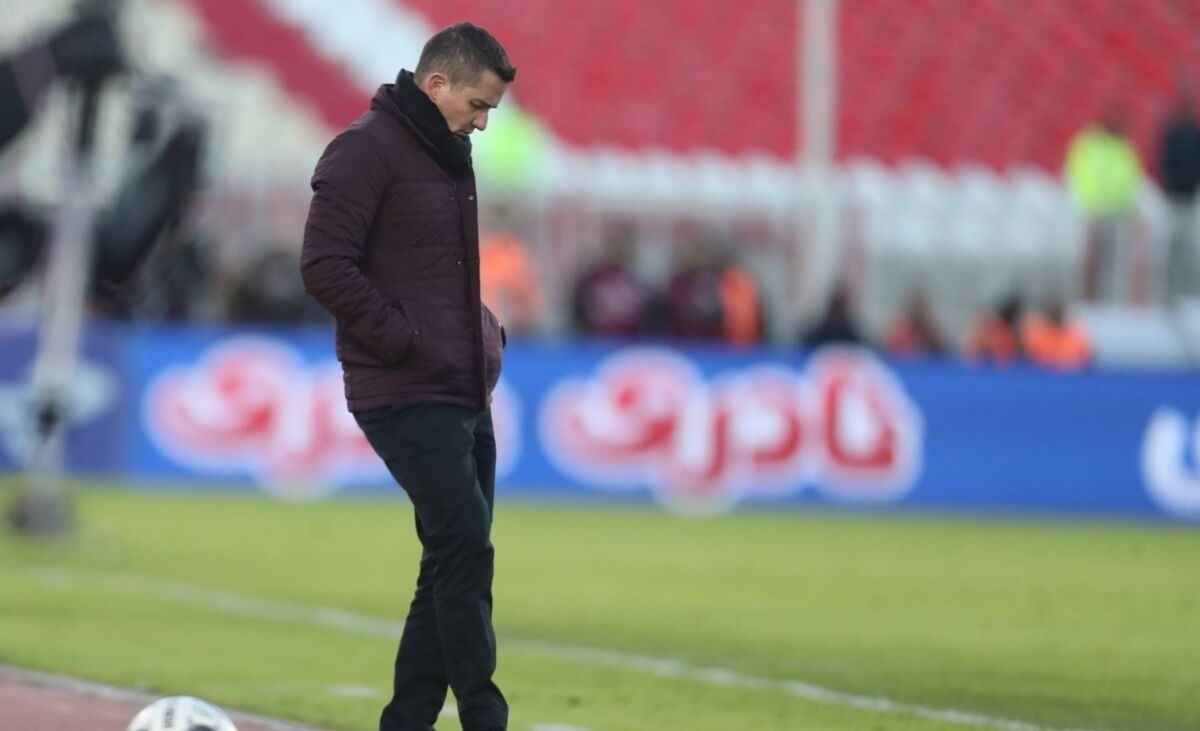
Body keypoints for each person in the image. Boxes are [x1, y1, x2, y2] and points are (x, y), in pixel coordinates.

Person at [300, 23, 515, 731]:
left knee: (449, 557)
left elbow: (438, 273)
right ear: (437, 83)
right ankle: (484, 716)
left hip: (462, 386)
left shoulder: (443, 152)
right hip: (406, 387)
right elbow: (323, 265)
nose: (482, 123)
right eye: (478, 105)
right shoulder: (364, 149)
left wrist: (480, 333)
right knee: (465, 546)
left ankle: (409, 720)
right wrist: (408, 341)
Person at [1064, 108, 1145, 303]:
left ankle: (1110, 300)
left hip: (1116, 212)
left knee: (1113, 261)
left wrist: (1130, 207)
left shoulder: (1124, 148)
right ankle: (1087, 299)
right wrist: (1081, 200)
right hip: (1091, 209)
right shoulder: (1090, 144)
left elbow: (1130, 181)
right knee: (1091, 259)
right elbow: (1074, 171)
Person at [1157, 94, 1200, 304]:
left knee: (1187, 250)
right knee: (1170, 248)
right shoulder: (1172, 133)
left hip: (1190, 199)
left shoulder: (1196, 135)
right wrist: (1170, 186)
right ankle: (1167, 295)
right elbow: (1165, 161)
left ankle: (1184, 294)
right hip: (1173, 199)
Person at [884, 289, 946, 357]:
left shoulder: (929, 330)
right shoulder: (901, 330)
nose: (919, 311)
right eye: (917, 307)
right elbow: (894, 351)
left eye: (921, 307)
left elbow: (941, 348)